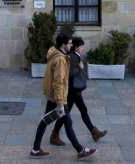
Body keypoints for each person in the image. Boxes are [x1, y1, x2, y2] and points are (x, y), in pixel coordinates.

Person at [30, 33, 97, 161]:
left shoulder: (55, 54)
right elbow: (58, 82)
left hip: (52, 95)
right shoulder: (60, 59)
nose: (72, 45)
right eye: (70, 43)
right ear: (63, 44)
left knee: (45, 121)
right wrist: (60, 104)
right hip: (58, 97)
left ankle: (35, 149)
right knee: (68, 123)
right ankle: (81, 151)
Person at [50, 37, 107, 146]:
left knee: (73, 112)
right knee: (74, 112)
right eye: (80, 47)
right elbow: (70, 72)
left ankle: (93, 132)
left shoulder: (73, 56)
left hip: (72, 90)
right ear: (75, 47)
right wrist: (80, 67)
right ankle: (55, 135)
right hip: (73, 91)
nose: (82, 49)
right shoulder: (74, 57)